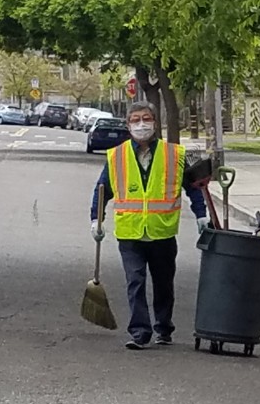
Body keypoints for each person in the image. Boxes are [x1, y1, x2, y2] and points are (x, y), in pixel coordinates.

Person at [89, 101, 211, 350]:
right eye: (135, 120)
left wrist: (201, 214)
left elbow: (194, 188)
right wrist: (96, 219)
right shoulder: (117, 156)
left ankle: (163, 328)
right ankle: (139, 332)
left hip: (162, 231)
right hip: (130, 232)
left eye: (146, 118)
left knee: (163, 283)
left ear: (155, 123)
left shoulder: (175, 154)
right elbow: (103, 189)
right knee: (135, 281)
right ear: (128, 124)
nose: (141, 124)